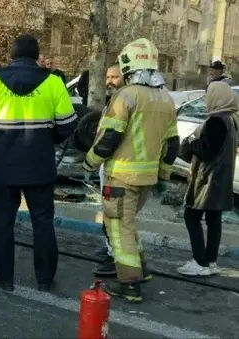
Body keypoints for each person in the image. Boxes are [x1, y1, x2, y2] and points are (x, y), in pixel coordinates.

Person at [0, 34, 77, 292]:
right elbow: (68, 125)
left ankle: (5, 278)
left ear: (12, 56)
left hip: (5, 168)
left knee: (3, 223)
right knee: (43, 222)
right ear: (36, 56)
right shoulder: (53, 82)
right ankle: (45, 280)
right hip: (41, 167)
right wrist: (49, 137)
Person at [82, 38, 179, 303]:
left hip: (121, 177)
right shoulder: (165, 99)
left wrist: (89, 163)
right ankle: (141, 271)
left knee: (118, 229)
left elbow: (109, 137)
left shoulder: (126, 96)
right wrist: (164, 174)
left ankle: (130, 285)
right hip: (146, 179)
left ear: (128, 66)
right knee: (128, 225)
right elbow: (172, 144)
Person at [177, 82, 238, 276]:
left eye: (208, 95)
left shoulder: (216, 121)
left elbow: (208, 150)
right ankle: (210, 261)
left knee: (191, 216)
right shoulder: (232, 119)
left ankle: (200, 261)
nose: (205, 99)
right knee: (214, 219)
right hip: (221, 178)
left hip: (207, 179)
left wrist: (191, 142)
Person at [91, 63, 124, 277]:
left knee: (115, 214)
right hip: (108, 165)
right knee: (107, 211)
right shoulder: (113, 101)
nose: (109, 81)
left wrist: (91, 161)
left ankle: (116, 258)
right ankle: (111, 248)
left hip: (117, 167)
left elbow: (113, 135)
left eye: (114, 77)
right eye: (107, 76)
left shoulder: (124, 101)